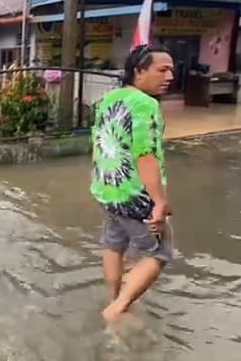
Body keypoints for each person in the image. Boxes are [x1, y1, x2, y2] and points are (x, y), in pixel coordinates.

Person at [90, 44, 175, 322]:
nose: (170, 76)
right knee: (159, 253)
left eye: (171, 70)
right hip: (136, 195)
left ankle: (113, 298)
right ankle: (117, 310)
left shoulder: (107, 99)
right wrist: (159, 201)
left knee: (114, 244)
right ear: (139, 71)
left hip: (107, 189)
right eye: (162, 70)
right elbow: (144, 154)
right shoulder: (145, 104)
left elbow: (100, 143)